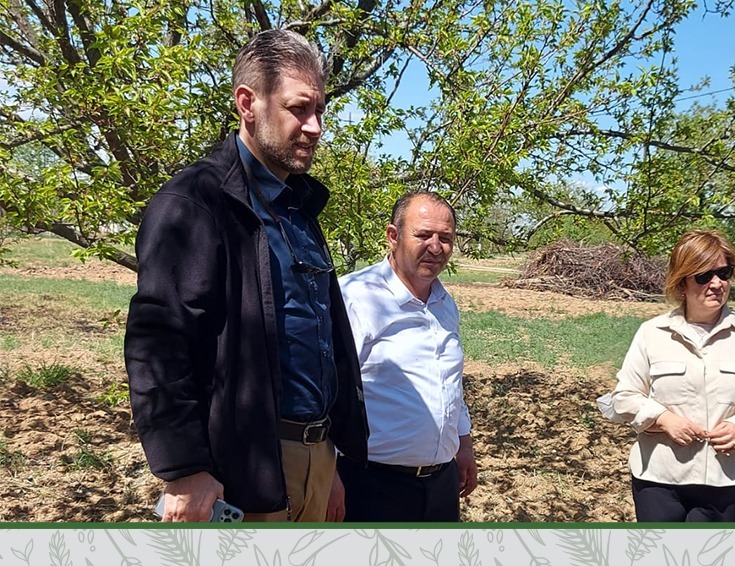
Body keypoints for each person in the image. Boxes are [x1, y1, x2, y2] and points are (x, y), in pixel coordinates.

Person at [125, 29, 368, 523]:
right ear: (247, 104)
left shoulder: (299, 207)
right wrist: (183, 468)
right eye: (299, 108)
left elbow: (315, 339)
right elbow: (159, 341)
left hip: (316, 461)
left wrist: (329, 458)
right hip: (244, 472)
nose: (316, 126)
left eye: (320, 109)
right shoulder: (195, 203)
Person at [607, 229, 735, 522]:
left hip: (727, 479)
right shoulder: (652, 333)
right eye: (704, 276)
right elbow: (624, 396)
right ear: (682, 282)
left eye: (724, 273)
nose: (716, 284)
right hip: (659, 477)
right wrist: (664, 420)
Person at [333, 191, 477, 522]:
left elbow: (449, 382)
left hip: (440, 484)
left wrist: (464, 443)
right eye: (424, 235)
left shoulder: (445, 303)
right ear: (393, 236)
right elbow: (328, 393)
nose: (436, 247)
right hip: (372, 485)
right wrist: (329, 476)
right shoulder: (355, 298)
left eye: (446, 238)